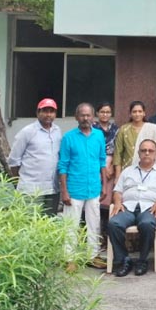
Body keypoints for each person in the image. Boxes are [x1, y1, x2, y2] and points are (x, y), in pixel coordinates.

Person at [108, 139, 156, 277]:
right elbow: (117, 191)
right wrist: (118, 202)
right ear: (139, 153)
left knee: (147, 224)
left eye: (150, 151)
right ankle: (123, 260)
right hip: (128, 207)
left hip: (149, 208)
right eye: (143, 150)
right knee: (113, 223)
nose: (147, 153)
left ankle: (142, 260)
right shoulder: (128, 171)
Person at [58, 103, 107, 271]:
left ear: (93, 117)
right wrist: (64, 190)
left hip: (93, 187)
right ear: (76, 117)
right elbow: (63, 165)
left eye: (88, 115)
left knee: (94, 224)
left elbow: (102, 161)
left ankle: (92, 256)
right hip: (74, 189)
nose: (86, 118)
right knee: (71, 225)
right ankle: (69, 258)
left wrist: (104, 185)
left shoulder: (99, 136)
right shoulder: (68, 138)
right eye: (82, 115)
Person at [7, 98, 62, 216]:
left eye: (51, 111)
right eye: (45, 111)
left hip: (52, 189)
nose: (48, 114)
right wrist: (20, 183)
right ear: (38, 112)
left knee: (49, 223)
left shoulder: (57, 131)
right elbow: (14, 161)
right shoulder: (27, 132)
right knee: (29, 224)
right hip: (31, 189)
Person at [92, 102, 118, 248]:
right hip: (96, 166)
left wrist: (112, 166)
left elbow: (118, 149)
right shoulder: (92, 128)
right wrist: (102, 168)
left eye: (108, 112)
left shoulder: (116, 129)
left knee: (108, 202)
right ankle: (95, 237)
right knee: (95, 203)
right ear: (97, 113)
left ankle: (107, 237)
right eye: (102, 112)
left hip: (111, 167)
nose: (105, 115)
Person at [112, 101, 156, 183]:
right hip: (127, 170)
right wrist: (117, 176)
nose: (137, 114)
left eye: (140, 111)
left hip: (148, 171)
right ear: (130, 114)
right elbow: (118, 154)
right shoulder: (124, 130)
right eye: (134, 112)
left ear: (144, 113)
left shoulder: (152, 128)